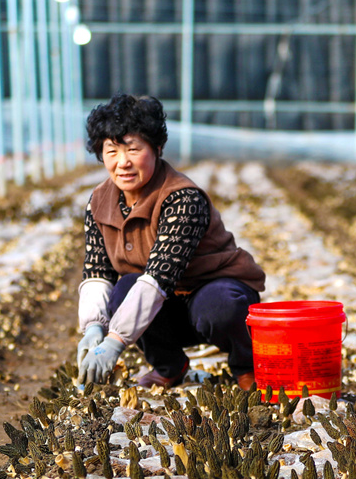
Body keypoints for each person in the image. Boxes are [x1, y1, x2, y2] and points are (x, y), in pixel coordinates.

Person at [75, 94, 266, 391]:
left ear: (157, 148)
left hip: (211, 291)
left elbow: (160, 277)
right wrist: (94, 327)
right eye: (111, 151)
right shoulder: (99, 202)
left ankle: (247, 365)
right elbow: (97, 269)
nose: (122, 162)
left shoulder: (181, 197)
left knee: (220, 306)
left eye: (134, 149)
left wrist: (114, 342)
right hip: (164, 308)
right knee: (124, 290)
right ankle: (170, 366)